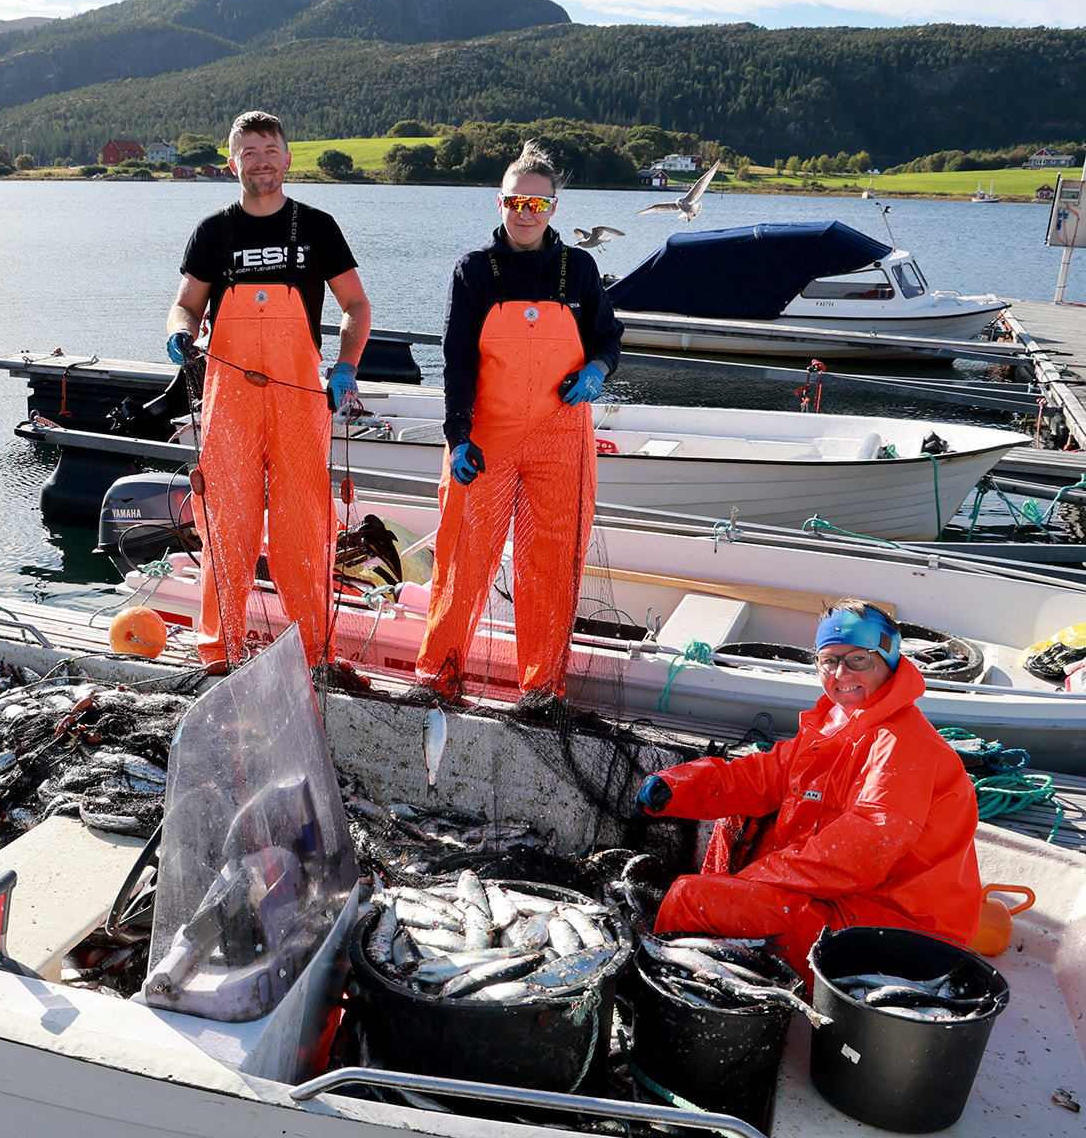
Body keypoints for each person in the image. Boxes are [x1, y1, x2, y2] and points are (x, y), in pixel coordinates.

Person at [636, 600, 982, 979]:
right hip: (843, 899)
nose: (841, 673)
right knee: (739, 818)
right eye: (828, 660)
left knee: (691, 897)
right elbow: (760, 776)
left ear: (890, 660)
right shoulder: (835, 724)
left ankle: (669, 990)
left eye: (858, 660)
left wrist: (750, 879)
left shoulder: (904, 743)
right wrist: (678, 786)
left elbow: (863, 849)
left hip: (894, 933)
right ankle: (723, 953)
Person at [413, 141, 622, 708]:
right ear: (499, 203)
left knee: (551, 564)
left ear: (554, 208)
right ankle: (438, 674)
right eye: (515, 201)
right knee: (464, 557)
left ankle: (541, 687)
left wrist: (598, 369)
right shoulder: (474, 271)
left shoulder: (578, 269)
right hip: (487, 435)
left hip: (562, 435)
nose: (525, 213)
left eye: (537, 203)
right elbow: (457, 357)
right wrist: (458, 438)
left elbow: (608, 335)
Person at [165, 111, 372, 670]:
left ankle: (315, 653)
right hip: (229, 397)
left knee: (305, 527)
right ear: (233, 164)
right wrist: (180, 334)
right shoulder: (214, 231)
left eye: (269, 149)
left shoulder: (319, 226)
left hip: (299, 396)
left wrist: (345, 366)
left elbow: (356, 305)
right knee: (227, 525)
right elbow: (185, 305)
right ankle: (218, 649)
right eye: (248, 152)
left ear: (287, 157)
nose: (260, 161)